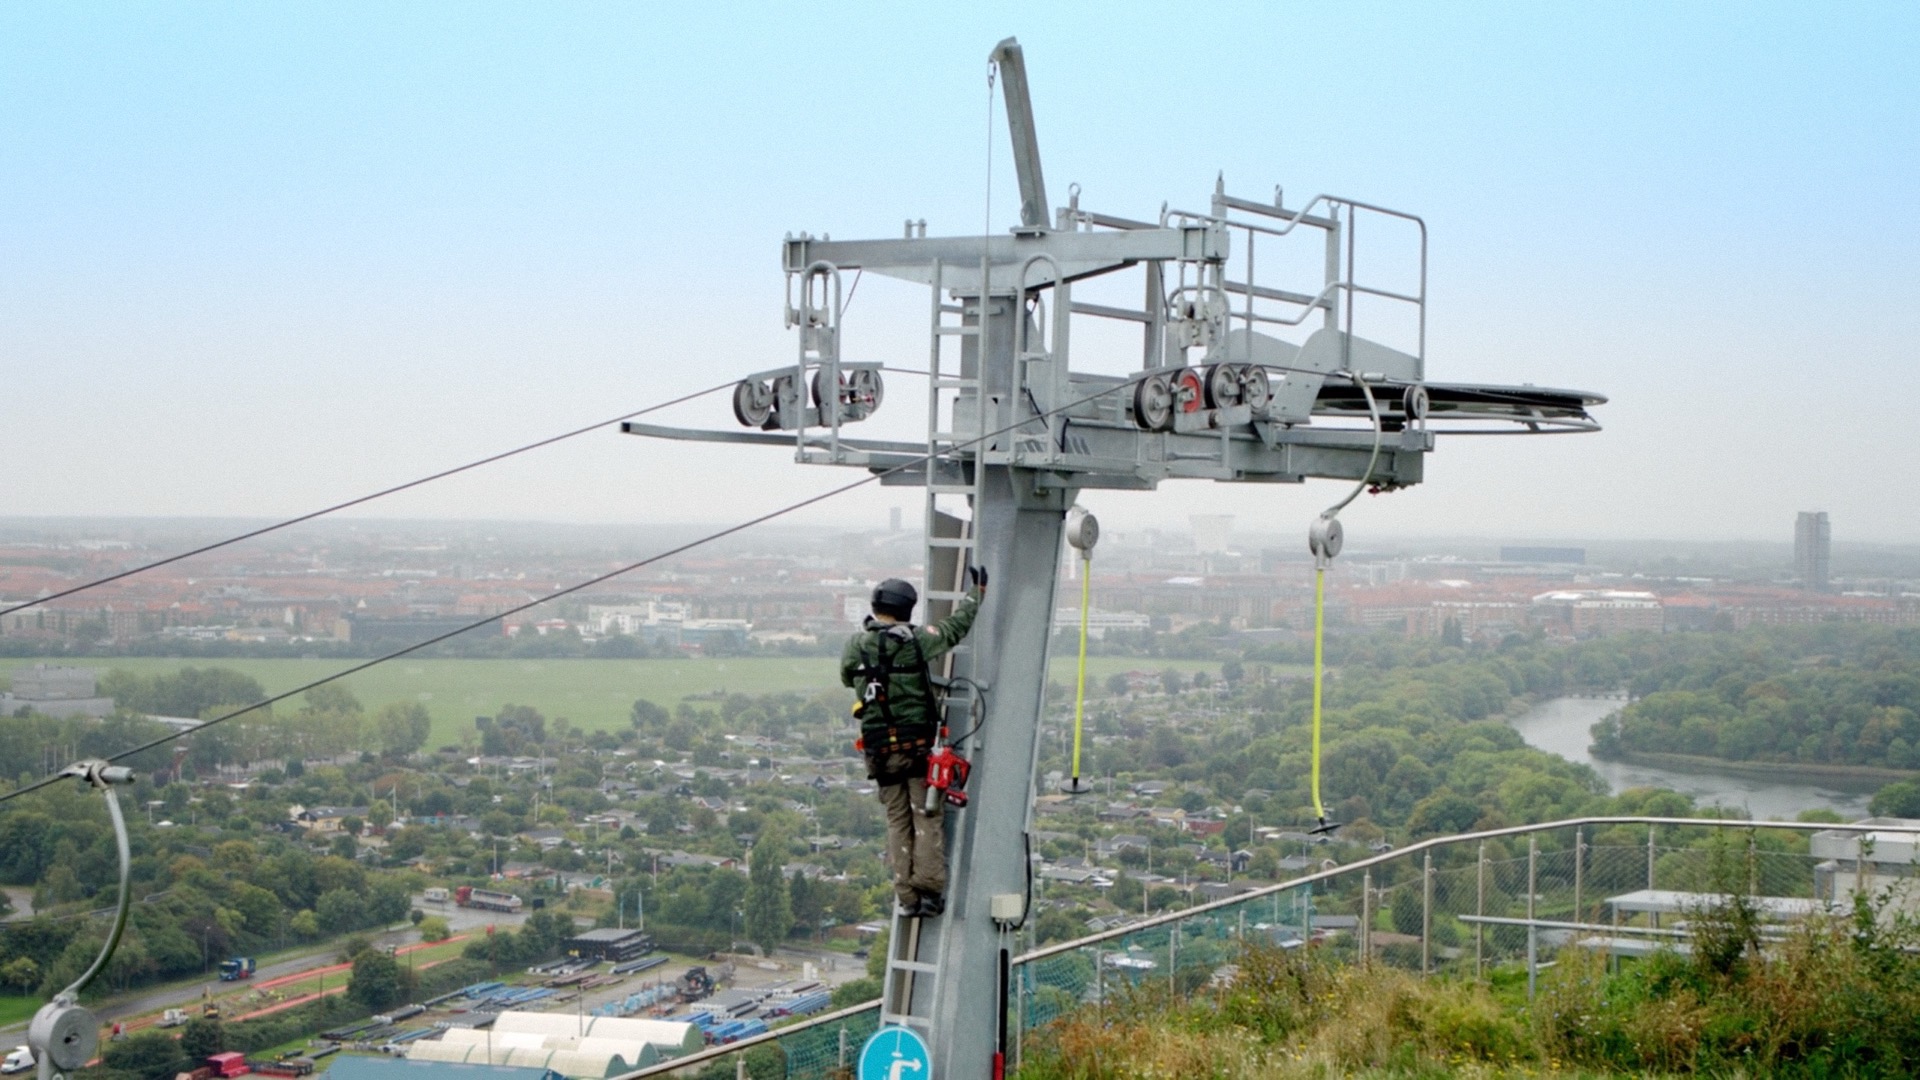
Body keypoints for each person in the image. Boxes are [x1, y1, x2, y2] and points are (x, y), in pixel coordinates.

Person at [841, 567, 986, 917]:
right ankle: (931, 893)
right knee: (925, 816)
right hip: (916, 747)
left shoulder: (855, 645)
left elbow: (849, 678)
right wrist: (976, 592)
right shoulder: (916, 641)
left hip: (878, 749)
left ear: (876, 606)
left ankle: (906, 898)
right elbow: (954, 628)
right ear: (908, 610)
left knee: (897, 820)